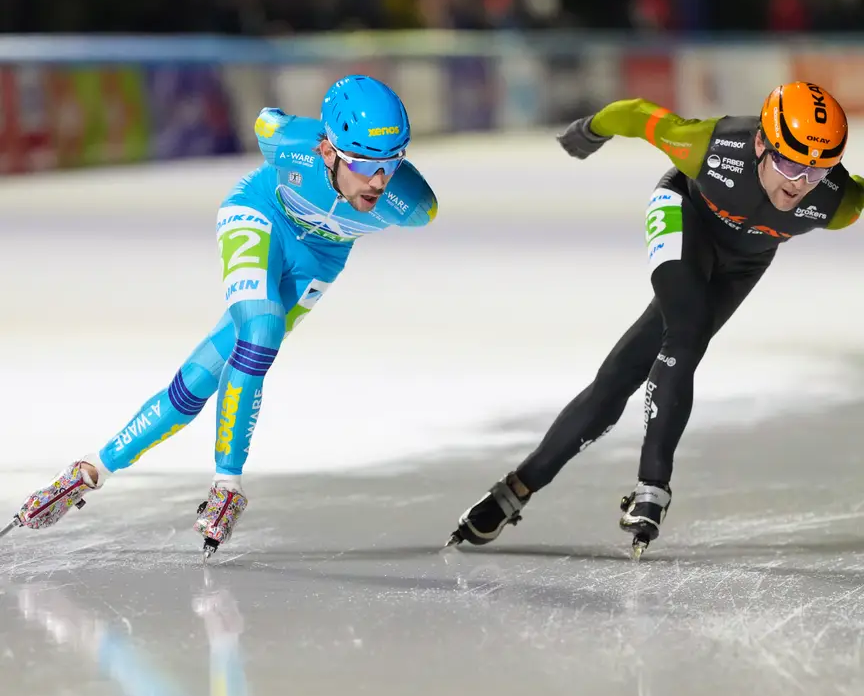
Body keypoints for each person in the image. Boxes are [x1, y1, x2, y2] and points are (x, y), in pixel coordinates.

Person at [8, 75, 438, 558]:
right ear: (328, 150)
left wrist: (380, 166)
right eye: (364, 164)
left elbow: (398, 188)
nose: (379, 181)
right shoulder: (288, 141)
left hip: (317, 262)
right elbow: (265, 122)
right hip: (259, 217)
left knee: (196, 382)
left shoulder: (414, 204)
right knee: (262, 330)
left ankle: (88, 472)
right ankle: (227, 486)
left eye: (391, 162)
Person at [448, 80, 863, 558]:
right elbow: (636, 112)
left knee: (624, 373)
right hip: (684, 211)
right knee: (685, 333)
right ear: (759, 143)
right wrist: (590, 130)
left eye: (817, 170)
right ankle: (653, 487)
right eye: (790, 163)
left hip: (745, 262)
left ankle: (514, 489)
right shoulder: (710, 146)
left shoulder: (838, 202)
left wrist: (816, 176)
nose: (798, 184)